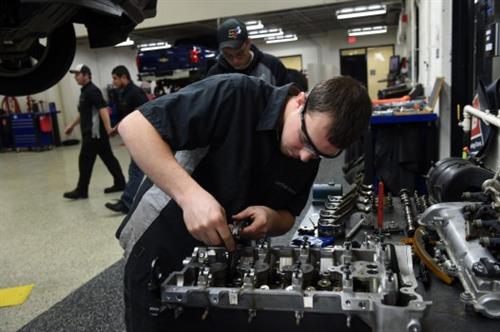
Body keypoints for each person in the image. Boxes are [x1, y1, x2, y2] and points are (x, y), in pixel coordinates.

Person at [117, 73, 372, 331]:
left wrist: (271, 219)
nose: (306, 156)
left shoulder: (308, 153)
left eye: (319, 154)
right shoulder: (235, 94)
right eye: (305, 141)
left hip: (227, 258)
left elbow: (288, 216)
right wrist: (190, 196)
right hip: (163, 239)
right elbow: (134, 127)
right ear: (300, 102)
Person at [63, 64, 126, 199]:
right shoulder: (85, 91)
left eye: (77, 74)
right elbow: (83, 112)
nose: (75, 78)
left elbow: (102, 109)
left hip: (94, 133)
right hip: (93, 133)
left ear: (86, 75)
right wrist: (72, 126)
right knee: (108, 158)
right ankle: (120, 183)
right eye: (74, 75)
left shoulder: (92, 91)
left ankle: (82, 190)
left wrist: (108, 128)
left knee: (84, 160)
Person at [105, 65, 149, 214]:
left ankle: (127, 202)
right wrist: (116, 129)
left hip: (142, 135)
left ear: (124, 77)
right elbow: (127, 117)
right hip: (134, 135)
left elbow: (144, 114)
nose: (114, 81)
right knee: (137, 170)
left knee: (136, 170)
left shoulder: (135, 93)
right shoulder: (123, 93)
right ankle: (129, 200)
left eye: (115, 78)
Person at [207, 18, 290, 86]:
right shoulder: (214, 75)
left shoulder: (272, 66)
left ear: (248, 43)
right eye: (228, 55)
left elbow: (289, 100)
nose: (235, 61)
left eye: (240, 54)